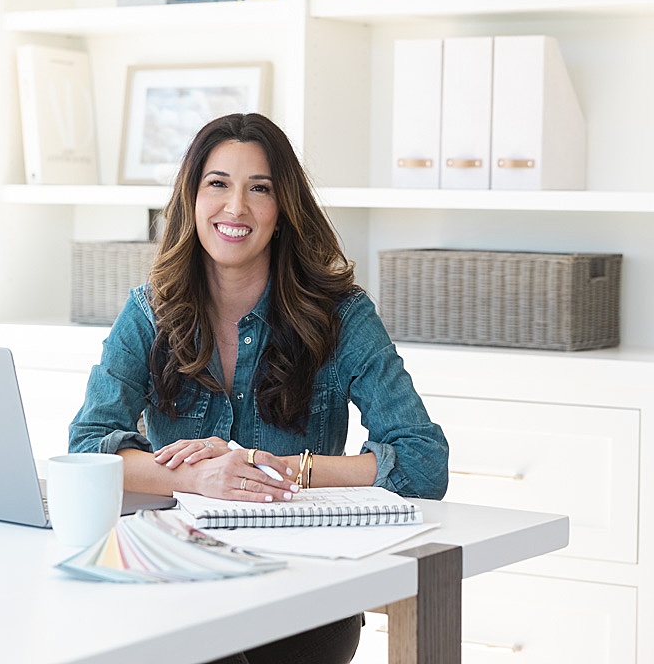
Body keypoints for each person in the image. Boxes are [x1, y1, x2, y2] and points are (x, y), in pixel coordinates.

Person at [69, 112, 449, 664]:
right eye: (217, 184)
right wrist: (202, 476)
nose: (235, 208)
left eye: (259, 189)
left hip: (306, 586)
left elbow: (423, 462)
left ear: (282, 211)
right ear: (191, 200)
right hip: (184, 572)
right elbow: (88, 447)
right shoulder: (149, 313)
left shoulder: (342, 317)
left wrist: (277, 470)